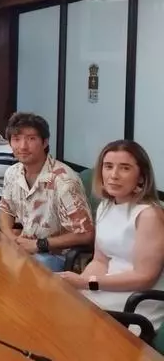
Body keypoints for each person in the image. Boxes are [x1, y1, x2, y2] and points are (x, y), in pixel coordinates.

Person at [57, 140, 164, 331]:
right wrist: (79, 287)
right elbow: (101, 260)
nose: (114, 175)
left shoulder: (149, 214)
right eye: (108, 167)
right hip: (105, 287)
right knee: (57, 303)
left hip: (135, 301)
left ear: (141, 177)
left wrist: (87, 283)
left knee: (66, 323)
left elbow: (144, 277)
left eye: (125, 168)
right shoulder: (106, 205)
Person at [0, 113, 94, 272]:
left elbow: (86, 234)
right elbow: (5, 209)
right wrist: (10, 237)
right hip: (24, 247)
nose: (23, 146)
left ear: (45, 142)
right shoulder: (12, 173)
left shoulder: (63, 181)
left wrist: (39, 244)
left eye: (31, 139)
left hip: (55, 255)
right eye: (16, 139)